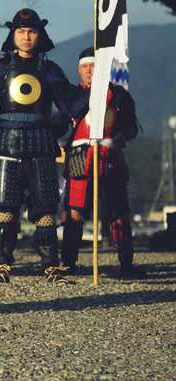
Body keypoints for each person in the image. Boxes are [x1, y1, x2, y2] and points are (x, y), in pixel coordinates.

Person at [0, 9, 87, 284]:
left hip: (40, 144)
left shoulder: (49, 70)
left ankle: (50, 264)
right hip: (5, 143)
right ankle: (2, 264)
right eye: (21, 32)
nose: (26, 37)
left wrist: (95, 93)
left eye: (32, 31)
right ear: (13, 35)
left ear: (40, 35)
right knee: (6, 206)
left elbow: (69, 105)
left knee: (45, 207)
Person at [61, 47, 144, 278]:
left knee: (119, 212)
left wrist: (118, 138)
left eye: (94, 66)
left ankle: (126, 264)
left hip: (110, 157)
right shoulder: (71, 95)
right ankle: (68, 263)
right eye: (85, 66)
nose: (90, 70)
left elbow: (130, 128)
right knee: (74, 211)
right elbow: (59, 123)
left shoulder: (118, 95)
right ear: (79, 70)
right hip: (79, 157)